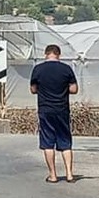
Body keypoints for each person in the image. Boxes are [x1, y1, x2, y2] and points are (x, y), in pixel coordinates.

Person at [30, 44, 79, 183]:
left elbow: (33, 89)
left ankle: (53, 175)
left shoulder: (38, 69)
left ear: (46, 54)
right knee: (65, 142)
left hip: (45, 110)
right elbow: (74, 89)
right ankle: (69, 174)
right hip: (62, 109)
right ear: (59, 54)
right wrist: (62, 89)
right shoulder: (66, 69)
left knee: (48, 143)